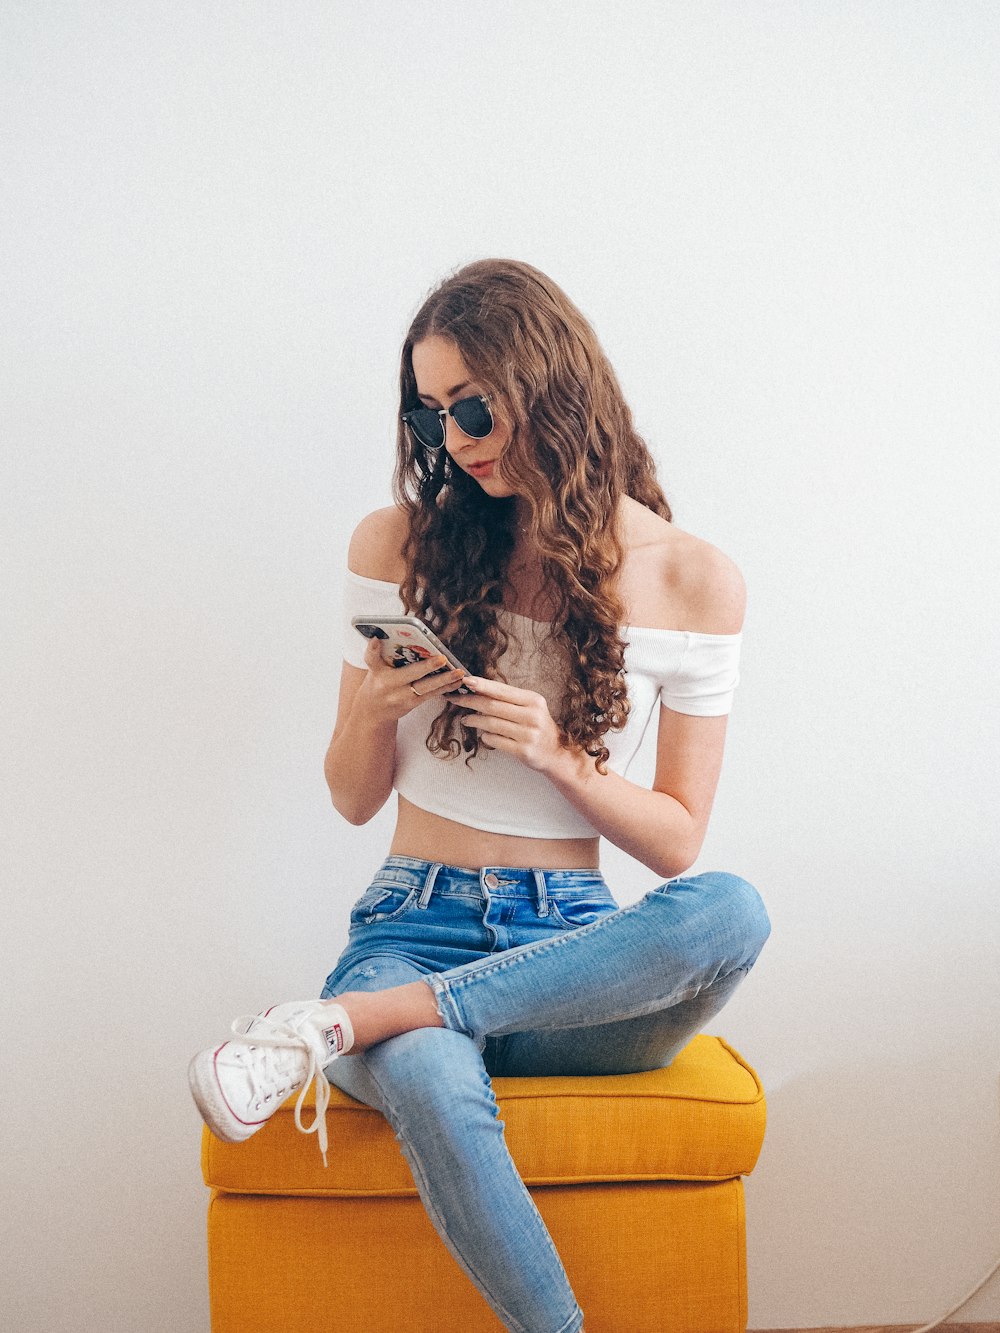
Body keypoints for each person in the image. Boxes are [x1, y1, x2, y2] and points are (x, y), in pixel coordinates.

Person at [188, 258, 771, 1333]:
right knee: (427, 1069)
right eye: (431, 415)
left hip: (569, 969)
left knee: (735, 909)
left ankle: (343, 1024)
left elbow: (680, 845)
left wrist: (562, 759)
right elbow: (351, 799)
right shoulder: (398, 545)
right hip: (414, 924)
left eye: (471, 406)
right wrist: (368, 713)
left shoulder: (695, 577)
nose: (452, 439)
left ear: (549, 383)